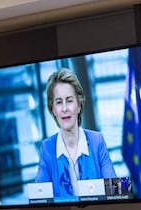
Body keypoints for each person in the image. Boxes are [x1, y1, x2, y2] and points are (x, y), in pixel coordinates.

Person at [36, 68, 117, 197]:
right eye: (58, 102)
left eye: (69, 101)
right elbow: (39, 198)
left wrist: (123, 187)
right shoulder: (47, 148)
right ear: (53, 110)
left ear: (79, 105)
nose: (64, 109)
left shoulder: (97, 141)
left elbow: (117, 191)